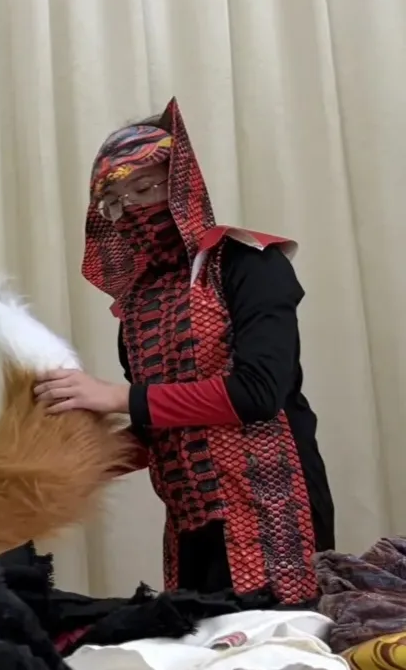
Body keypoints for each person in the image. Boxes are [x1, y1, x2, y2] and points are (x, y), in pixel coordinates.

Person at [34, 99, 334, 603]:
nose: (131, 210)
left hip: (271, 506)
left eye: (144, 189)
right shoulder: (139, 302)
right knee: (197, 643)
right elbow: (157, 426)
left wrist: (118, 397)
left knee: (276, 644)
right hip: (190, 520)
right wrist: (72, 466)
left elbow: (258, 392)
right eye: (114, 202)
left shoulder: (248, 263)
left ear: (181, 185)